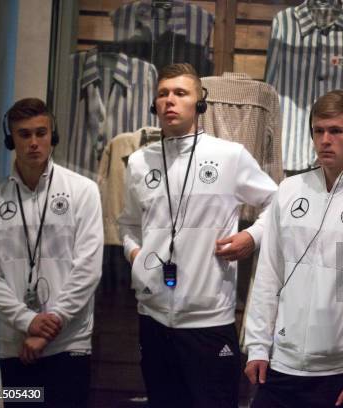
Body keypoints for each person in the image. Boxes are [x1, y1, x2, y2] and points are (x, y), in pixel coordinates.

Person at [118, 63, 277, 407]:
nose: (169, 101)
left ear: (199, 104)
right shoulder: (139, 163)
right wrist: (137, 257)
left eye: (180, 93)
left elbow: (277, 203)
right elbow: (129, 224)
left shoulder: (228, 156)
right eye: (163, 94)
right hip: (153, 318)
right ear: (154, 105)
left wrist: (252, 238)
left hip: (209, 321)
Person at [244, 89, 343, 408]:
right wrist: (258, 347)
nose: (325, 140)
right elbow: (268, 275)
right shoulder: (288, 192)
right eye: (319, 131)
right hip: (280, 366)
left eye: (336, 131)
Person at [0, 98, 103, 407]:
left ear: (52, 136)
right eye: (24, 134)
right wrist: (27, 321)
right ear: (11, 139)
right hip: (15, 344)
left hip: (69, 342)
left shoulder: (83, 190)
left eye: (41, 133)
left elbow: (89, 267)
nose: (34, 142)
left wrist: (50, 324)